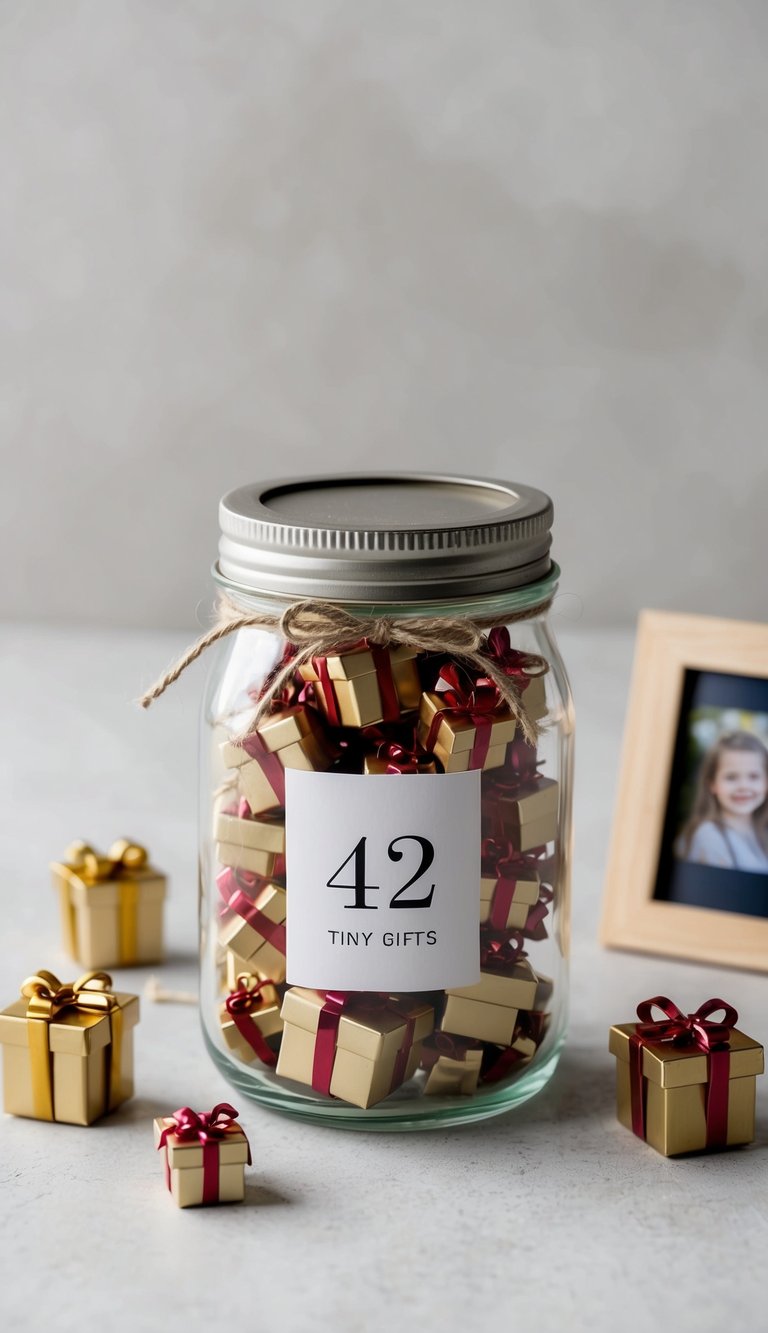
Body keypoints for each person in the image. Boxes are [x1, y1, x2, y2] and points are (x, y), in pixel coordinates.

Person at [677, 730, 768, 873]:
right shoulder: (710, 837)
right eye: (731, 777)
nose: (744, 786)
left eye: (754, 776)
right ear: (712, 784)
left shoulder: (762, 831)